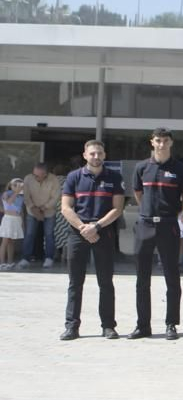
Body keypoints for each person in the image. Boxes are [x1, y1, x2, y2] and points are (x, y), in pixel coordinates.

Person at [58, 139, 126, 340]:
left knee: (105, 282)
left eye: (99, 153)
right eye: (92, 153)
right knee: (75, 282)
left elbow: (117, 208)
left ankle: (108, 326)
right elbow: (66, 207)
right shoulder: (74, 177)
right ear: (85, 155)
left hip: (103, 233)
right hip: (78, 234)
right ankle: (72, 326)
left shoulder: (114, 177)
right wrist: (83, 228)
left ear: (104, 155)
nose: (96, 157)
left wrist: (96, 227)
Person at [127, 128, 183, 340]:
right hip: (145, 225)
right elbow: (138, 193)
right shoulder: (142, 167)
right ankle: (143, 325)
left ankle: (171, 324)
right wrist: (148, 211)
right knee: (142, 278)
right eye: (158, 141)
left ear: (171, 143)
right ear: (152, 142)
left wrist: (175, 216)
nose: (161, 144)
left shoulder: (179, 168)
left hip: (169, 225)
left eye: (165, 141)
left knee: (172, 276)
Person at [22, 160, 61, 268]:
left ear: (45, 174)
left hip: (48, 211)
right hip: (32, 210)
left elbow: (56, 196)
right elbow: (26, 196)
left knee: (49, 235)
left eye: (38, 175)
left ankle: (49, 258)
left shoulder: (54, 179)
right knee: (29, 234)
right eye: (34, 174)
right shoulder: (28, 178)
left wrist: (43, 208)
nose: (35, 177)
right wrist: (34, 209)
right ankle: (25, 258)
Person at [1, 179, 25, 268]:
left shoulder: (21, 196)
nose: (17, 187)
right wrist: (16, 192)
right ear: (10, 185)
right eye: (14, 185)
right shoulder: (6, 193)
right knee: (5, 241)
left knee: (11, 242)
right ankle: (2, 262)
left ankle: (10, 262)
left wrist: (22, 223)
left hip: (17, 219)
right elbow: (9, 202)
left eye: (18, 185)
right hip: (8, 219)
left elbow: (21, 210)